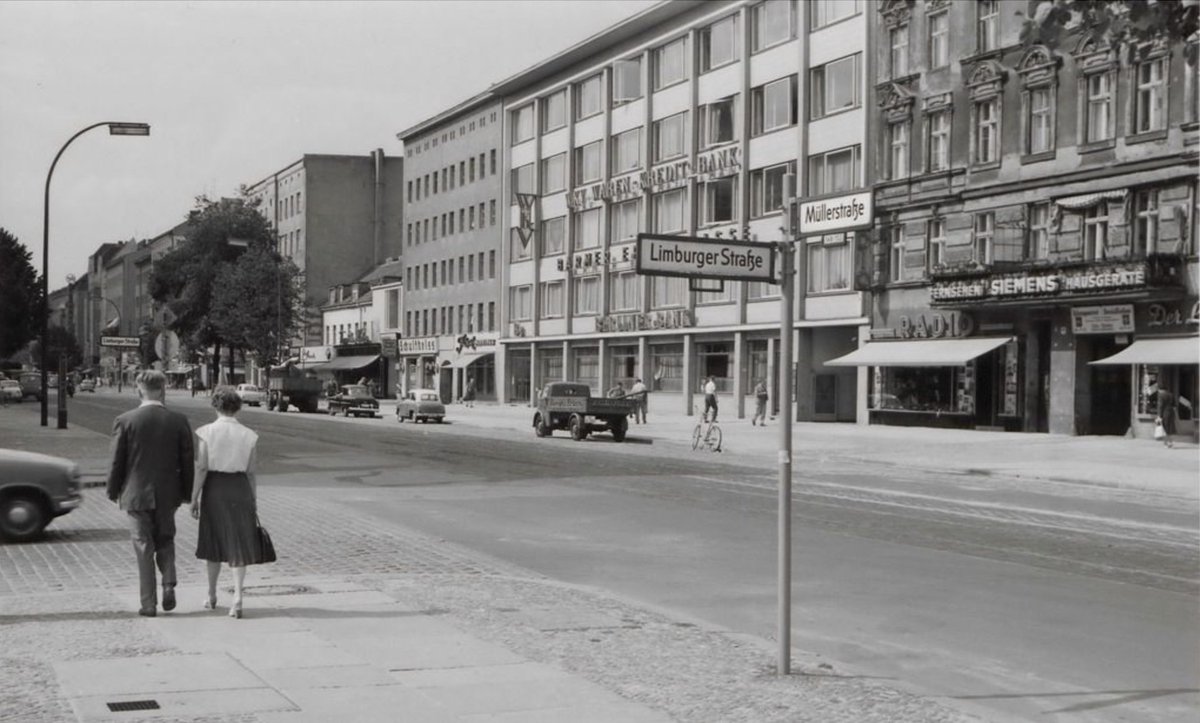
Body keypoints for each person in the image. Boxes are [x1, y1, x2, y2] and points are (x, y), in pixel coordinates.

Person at [106, 370, 195, 617]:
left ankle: (148, 603)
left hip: (135, 494)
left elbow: (116, 461)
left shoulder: (125, 420)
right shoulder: (179, 420)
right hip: (168, 494)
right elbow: (188, 461)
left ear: (138, 389)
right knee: (166, 539)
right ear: (163, 389)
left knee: (143, 546)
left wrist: (113, 490)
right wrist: (186, 494)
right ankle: (169, 583)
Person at [191, 387, 270, 619]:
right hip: (240, 489)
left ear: (215, 406)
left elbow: (202, 467)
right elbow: (251, 471)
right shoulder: (249, 435)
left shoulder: (206, 432)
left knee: (213, 541)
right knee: (239, 542)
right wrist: (253, 498)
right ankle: (237, 596)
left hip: (215, 488)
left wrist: (194, 496)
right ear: (238, 407)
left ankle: (212, 593)